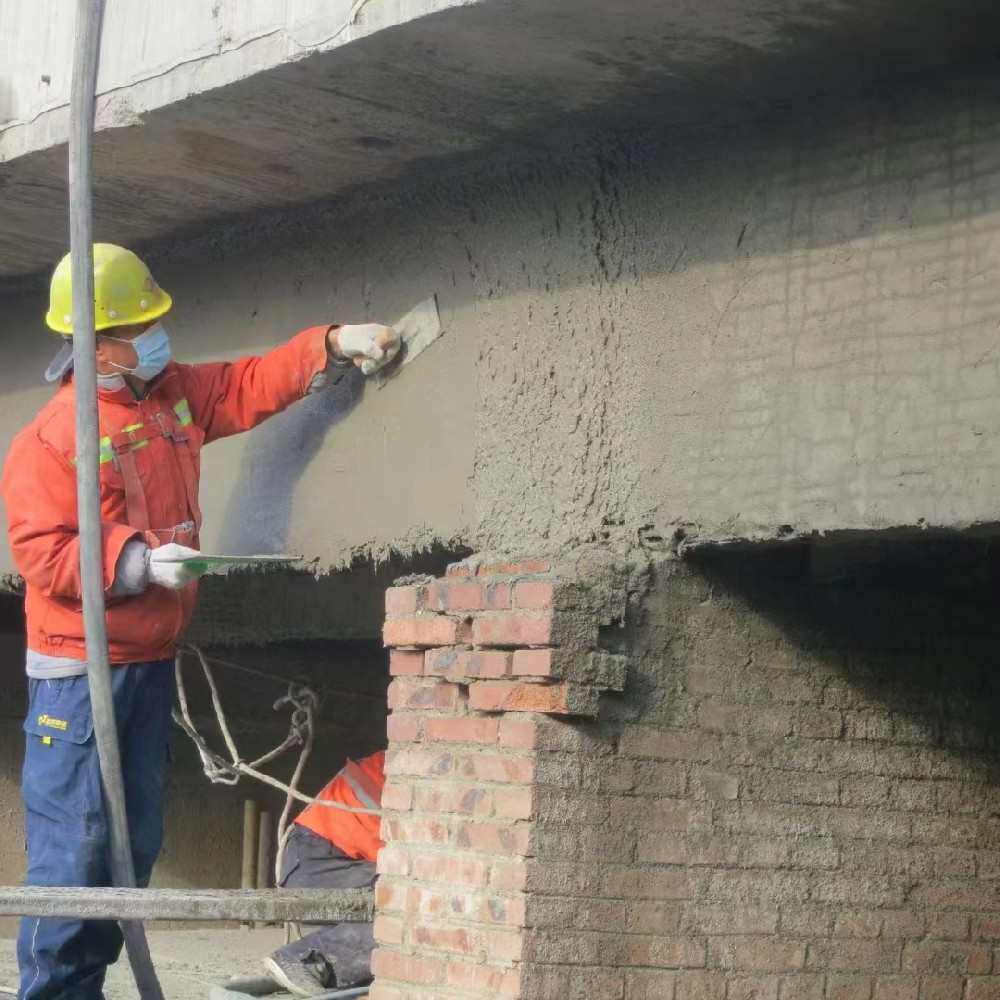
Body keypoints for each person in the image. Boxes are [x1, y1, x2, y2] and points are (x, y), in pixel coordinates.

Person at [1, 244, 400, 1000]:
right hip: (80, 682)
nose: (159, 334)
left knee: (131, 847)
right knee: (77, 853)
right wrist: (136, 564)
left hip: (145, 665)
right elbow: (43, 554)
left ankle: (87, 985)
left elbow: (241, 386)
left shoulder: (167, 399)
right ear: (95, 343)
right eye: (141, 324)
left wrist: (328, 343)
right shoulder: (55, 440)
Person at [264, 751, 385, 996]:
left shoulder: (401, 761)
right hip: (316, 860)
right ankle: (308, 960)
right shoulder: (415, 779)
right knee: (406, 901)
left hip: (311, 856)